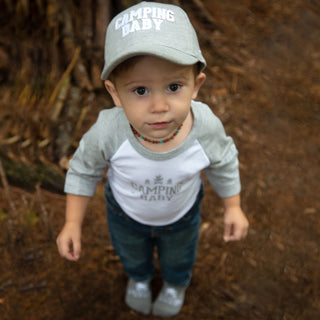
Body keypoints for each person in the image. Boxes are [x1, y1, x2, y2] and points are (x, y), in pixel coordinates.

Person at [56, 1, 249, 317]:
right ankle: (139, 279)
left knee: (180, 256)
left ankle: (175, 284)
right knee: (131, 254)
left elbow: (224, 161)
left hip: (182, 216)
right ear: (115, 93)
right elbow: (83, 170)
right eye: (140, 90)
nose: (159, 105)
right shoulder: (108, 132)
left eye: (174, 86)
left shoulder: (206, 128)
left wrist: (233, 206)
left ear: (195, 86)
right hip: (125, 215)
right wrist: (72, 222)